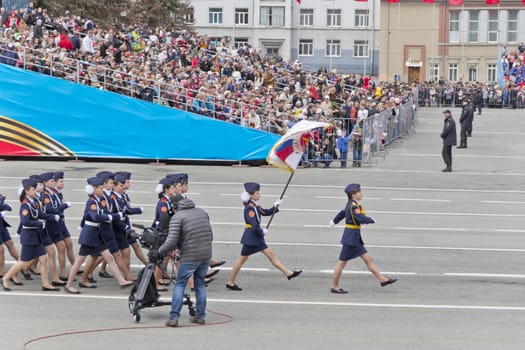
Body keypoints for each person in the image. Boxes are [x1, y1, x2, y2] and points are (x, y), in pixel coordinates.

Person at [226, 182, 302, 291]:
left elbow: (266, 212)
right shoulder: (250, 208)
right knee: (241, 260)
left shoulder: (254, 206)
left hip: (256, 237)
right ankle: (230, 282)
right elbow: (254, 225)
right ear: (251, 195)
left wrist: (275, 206)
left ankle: (288, 273)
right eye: (256, 193)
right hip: (252, 238)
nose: (258, 195)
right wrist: (262, 232)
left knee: (271, 255)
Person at [64, 177, 134, 294]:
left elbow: (105, 212)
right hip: (90, 235)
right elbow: (95, 216)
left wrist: (114, 216)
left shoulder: (100, 200)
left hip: (98, 234)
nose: (103, 190)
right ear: (94, 189)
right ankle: (69, 284)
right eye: (101, 188)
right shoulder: (92, 202)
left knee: (109, 258)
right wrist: (110, 217)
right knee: (79, 261)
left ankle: (122, 281)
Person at [156, 194, 214, 327]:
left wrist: (160, 251)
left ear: (175, 207)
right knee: (199, 284)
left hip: (190, 256)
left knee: (180, 284)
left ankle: (174, 317)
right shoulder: (202, 212)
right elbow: (210, 235)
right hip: (206, 254)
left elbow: (171, 241)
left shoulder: (178, 217)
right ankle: (200, 316)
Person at [329, 183, 397, 294]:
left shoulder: (351, 204)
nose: (361, 193)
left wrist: (334, 221)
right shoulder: (353, 206)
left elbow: (342, 213)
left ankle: (382, 279)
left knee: (368, 259)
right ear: (353, 195)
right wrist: (370, 220)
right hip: (351, 239)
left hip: (354, 237)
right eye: (359, 192)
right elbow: (359, 217)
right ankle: (334, 286)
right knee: (341, 263)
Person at [2, 179, 58, 292]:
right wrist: (39, 223)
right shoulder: (25, 205)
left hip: (36, 235)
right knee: (23, 261)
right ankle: (6, 278)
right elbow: (25, 221)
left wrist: (52, 217)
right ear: (27, 191)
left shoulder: (34, 201)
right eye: (32, 190)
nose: (35, 191)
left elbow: (39, 214)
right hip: (29, 236)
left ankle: (45, 283)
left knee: (43, 258)